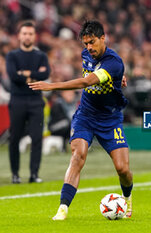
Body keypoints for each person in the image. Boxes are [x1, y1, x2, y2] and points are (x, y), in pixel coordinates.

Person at [29, 20, 133, 221]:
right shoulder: (87, 54)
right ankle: (62, 208)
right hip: (85, 114)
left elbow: (87, 81)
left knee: (123, 169)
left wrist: (52, 86)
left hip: (110, 119)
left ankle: (127, 198)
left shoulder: (114, 62)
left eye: (92, 42)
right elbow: (94, 74)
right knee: (78, 156)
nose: (89, 48)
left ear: (103, 38)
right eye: (85, 44)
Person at [6, 20, 50, 184]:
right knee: (15, 138)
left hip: (36, 101)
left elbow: (46, 74)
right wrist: (34, 74)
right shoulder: (12, 55)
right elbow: (13, 76)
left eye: (30, 33)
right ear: (19, 35)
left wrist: (24, 73)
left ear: (34, 36)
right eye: (24, 33)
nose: (27, 36)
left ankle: (34, 174)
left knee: (37, 138)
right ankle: (15, 174)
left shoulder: (41, 56)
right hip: (17, 100)